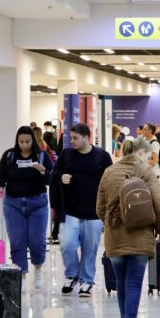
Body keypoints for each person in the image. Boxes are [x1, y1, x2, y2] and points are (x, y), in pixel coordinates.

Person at [96, 138, 160, 318]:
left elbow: (99, 207)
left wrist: (111, 222)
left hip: (115, 235)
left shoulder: (109, 171)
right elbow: (157, 202)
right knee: (134, 283)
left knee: (121, 284)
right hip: (140, 233)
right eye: (147, 156)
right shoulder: (145, 172)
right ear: (142, 153)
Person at [54, 123, 113, 297]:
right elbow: (54, 173)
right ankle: (71, 274)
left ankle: (86, 281)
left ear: (86, 138)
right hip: (71, 211)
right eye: (70, 138)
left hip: (94, 213)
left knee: (90, 249)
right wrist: (60, 177)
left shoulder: (102, 156)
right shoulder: (66, 155)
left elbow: (110, 180)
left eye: (75, 138)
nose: (71, 141)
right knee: (67, 244)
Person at [0, 126, 54, 293]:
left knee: (37, 240)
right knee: (17, 241)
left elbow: (52, 178)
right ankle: (21, 274)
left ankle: (38, 268)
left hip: (37, 203)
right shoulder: (9, 155)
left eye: (27, 141)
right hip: (13, 203)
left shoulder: (42, 155)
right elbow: (0, 175)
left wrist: (43, 171)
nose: (24, 145)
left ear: (33, 140)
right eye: (21, 141)